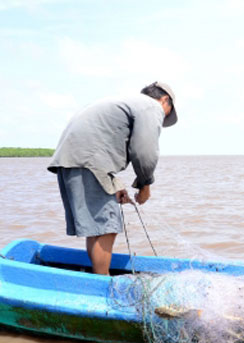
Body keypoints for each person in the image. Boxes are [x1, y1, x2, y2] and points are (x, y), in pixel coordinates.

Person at [48, 81, 178, 275]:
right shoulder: (151, 106)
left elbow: (100, 141)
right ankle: (103, 284)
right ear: (164, 100)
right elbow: (144, 151)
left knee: (97, 227)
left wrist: (114, 185)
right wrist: (145, 185)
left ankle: (98, 278)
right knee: (106, 226)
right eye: (168, 111)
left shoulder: (126, 101)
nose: (164, 116)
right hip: (88, 162)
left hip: (73, 160)